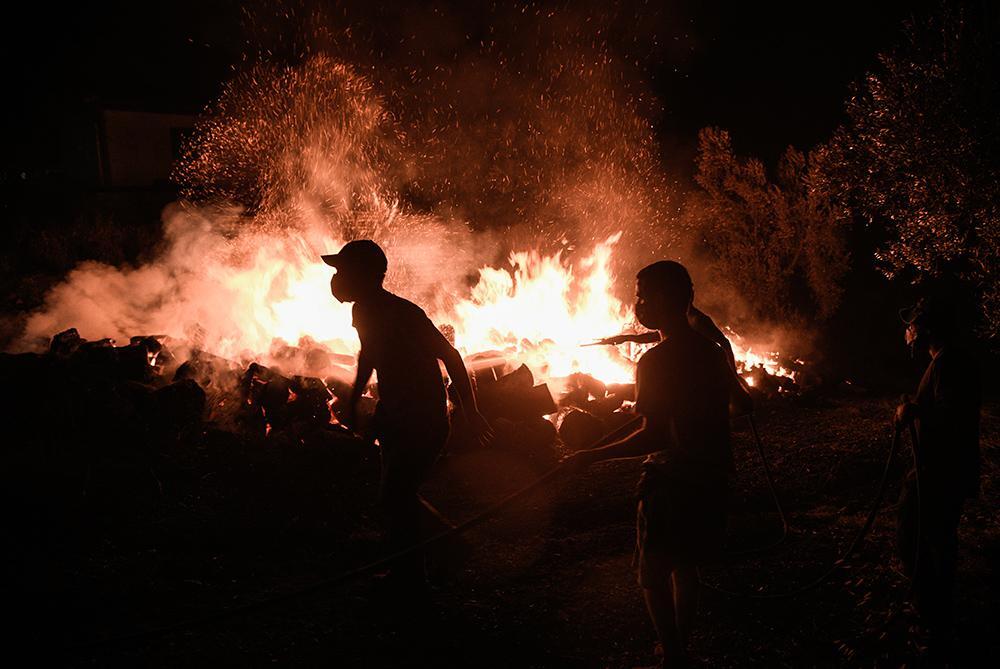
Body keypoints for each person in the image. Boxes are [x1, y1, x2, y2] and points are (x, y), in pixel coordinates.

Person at [565, 261, 750, 667]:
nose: (637, 303)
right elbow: (743, 405)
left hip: (674, 479)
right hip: (715, 476)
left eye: (643, 295)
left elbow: (654, 435)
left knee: (652, 573)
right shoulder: (711, 353)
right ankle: (679, 647)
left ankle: (673, 658)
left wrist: (591, 456)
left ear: (665, 299)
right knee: (686, 565)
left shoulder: (654, 362)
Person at [322, 239, 491, 591]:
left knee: (395, 496)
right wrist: (354, 399)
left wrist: (470, 411)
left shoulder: (404, 313)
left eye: (343, 270)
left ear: (370, 275)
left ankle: (427, 564)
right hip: (395, 415)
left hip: (423, 418)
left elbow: (452, 357)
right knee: (394, 495)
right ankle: (420, 562)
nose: (337, 278)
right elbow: (369, 354)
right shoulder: (362, 312)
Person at [894, 295, 981, 660]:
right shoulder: (947, 362)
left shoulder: (947, 365)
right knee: (933, 539)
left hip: (940, 471)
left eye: (912, 325)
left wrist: (913, 411)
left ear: (926, 328)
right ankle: (935, 615)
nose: (908, 332)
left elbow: (951, 417)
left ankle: (933, 621)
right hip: (944, 468)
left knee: (920, 537)